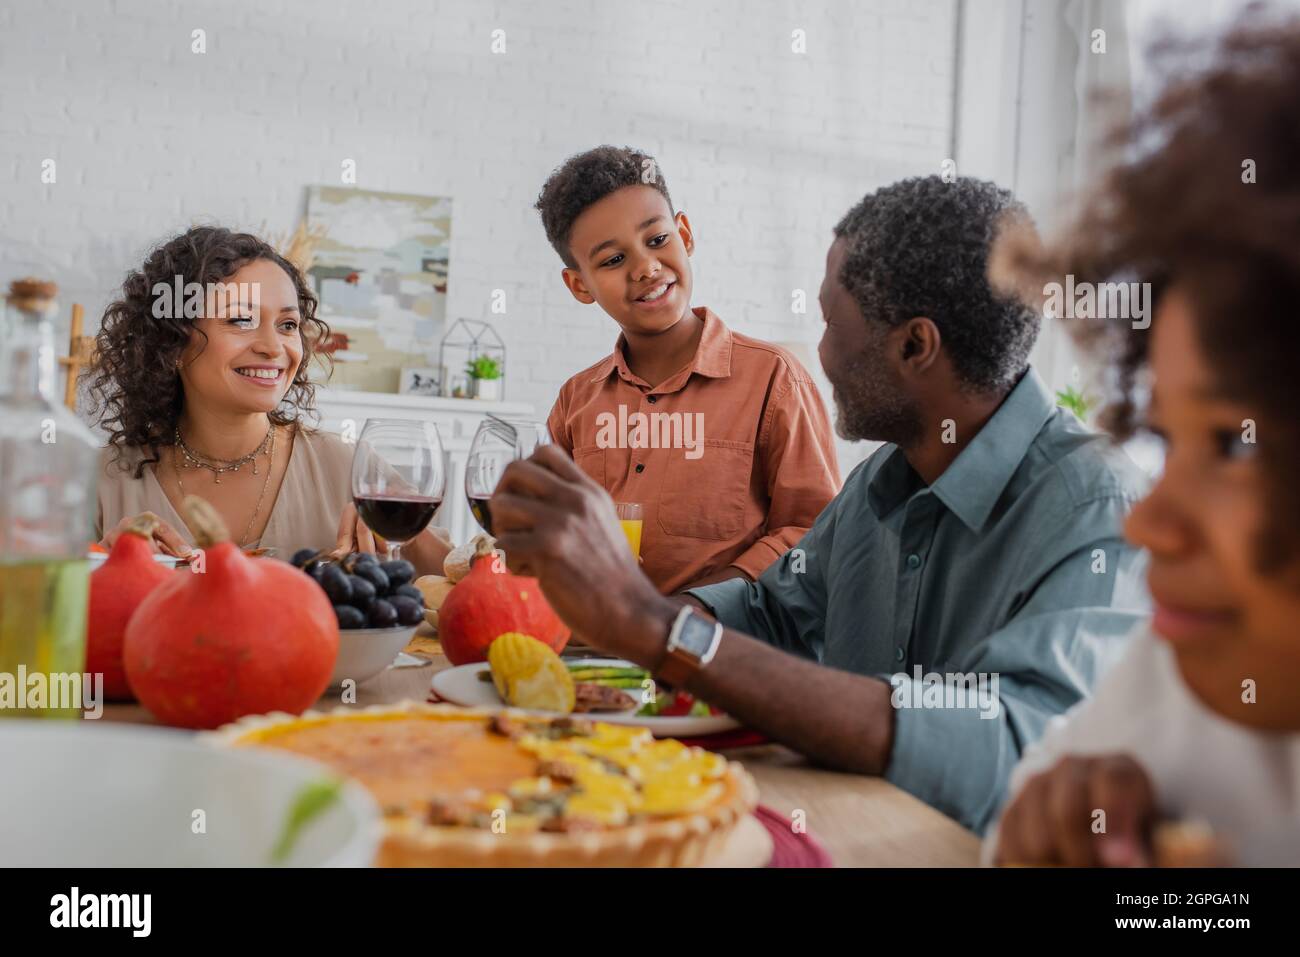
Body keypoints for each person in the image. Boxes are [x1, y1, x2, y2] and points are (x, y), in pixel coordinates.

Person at [491, 176, 1149, 831]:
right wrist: (639, 616)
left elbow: (1015, 747)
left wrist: (656, 627)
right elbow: (769, 610)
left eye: (831, 321)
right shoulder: (883, 480)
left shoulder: (1098, 505)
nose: (822, 352)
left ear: (915, 346)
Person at [989, 18, 1300, 866]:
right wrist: (1045, 824)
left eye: (1236, 445)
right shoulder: (1185, 665)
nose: (1148, 525)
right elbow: (1020, 818)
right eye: (1167, 436)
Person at [536, 146, 840, 593]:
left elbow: (813, 533)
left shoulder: (776, 381)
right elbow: (546, 529)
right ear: (580, 284)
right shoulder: (576, 400)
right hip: (592, 651)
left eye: (657, 240)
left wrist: (698, 607)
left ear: (685, 234)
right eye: (613, 260)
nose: (645, 267)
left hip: (723, 651)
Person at [90, 226, 450, 574]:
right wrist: (97, 569)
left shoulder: (348, 469)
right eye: (241, 320)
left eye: (288, 325)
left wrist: (404, 533)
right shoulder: (103, 483)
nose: (273, 347)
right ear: (173, 343)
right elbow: (43, 615)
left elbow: (466, 589)